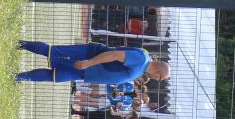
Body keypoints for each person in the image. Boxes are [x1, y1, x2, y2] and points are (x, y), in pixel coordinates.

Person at [14, 41, 170, 84]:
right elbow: (115, 54)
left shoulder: (142, 68)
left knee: (55, 76)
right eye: (160, 79)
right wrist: (89, 62)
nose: (157, 80)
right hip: (87, 57)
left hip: (86, 73)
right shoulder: (142, 59)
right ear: (158, 74)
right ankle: (19, 44)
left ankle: (17, 77)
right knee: (52, 52)